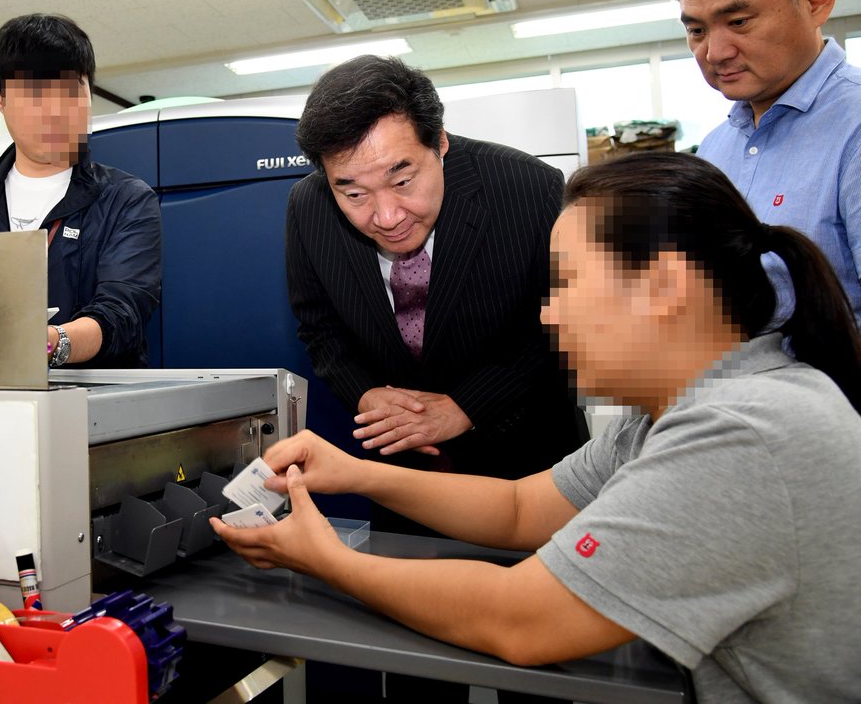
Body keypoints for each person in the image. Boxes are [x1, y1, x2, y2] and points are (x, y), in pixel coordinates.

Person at [215, 151, 861, 703]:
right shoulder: (666, 418)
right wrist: (358, 473)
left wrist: (327, 560)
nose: (549, 315)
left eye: (567, 282)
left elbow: (520, 619)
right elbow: (522, 508)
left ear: (665, 286)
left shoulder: (740, 434)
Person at [287, 54, 586, 483]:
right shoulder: (308, 207)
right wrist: (366, 394)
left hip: (526, 456)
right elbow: (319, 327)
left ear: (439, 142)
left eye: (402, 181)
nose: (387, 217)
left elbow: (561, 323)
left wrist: (468, 405)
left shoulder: (528, 187)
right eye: (354, 195)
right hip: (399, 470)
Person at [661, 0, 861, 322]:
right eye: (697, 31)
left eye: (738, 21)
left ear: (816, 0)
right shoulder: (715, 148)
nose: (715, 52)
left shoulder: (854, 128)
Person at [0, 14, 161, 368]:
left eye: (70, 91)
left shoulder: (126, 200)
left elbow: (122, 312)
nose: (55, 112)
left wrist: (48, 344)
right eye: (34, 94)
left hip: (92, 394)